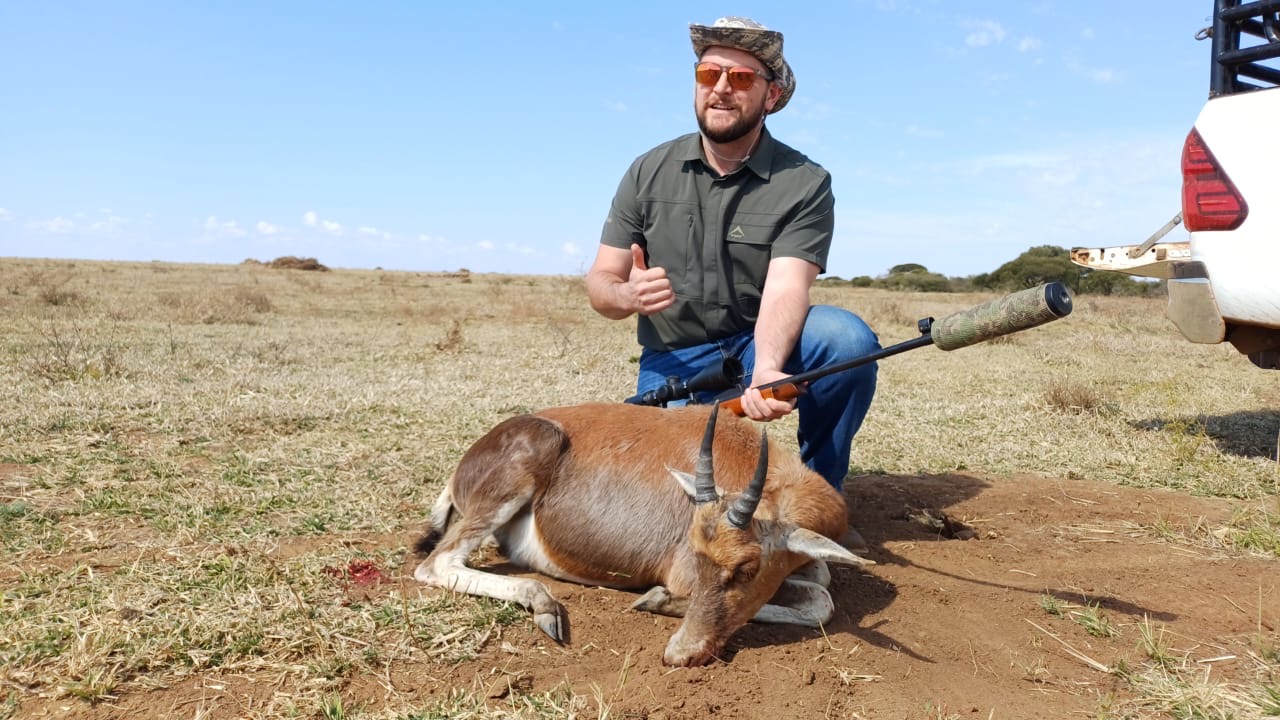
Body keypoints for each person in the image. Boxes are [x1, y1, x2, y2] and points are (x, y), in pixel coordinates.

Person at [585, 16, 880, 493]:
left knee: (846, 341)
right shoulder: (647, 170)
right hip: (676, 361)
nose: (720, 88)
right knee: (665, 492)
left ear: (772, 95)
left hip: (756, 343)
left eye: (741, 78)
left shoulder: (804, 181)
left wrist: (767, 368)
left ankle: (822, 491)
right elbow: (601, 282)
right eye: (708, 74)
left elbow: (787, 285)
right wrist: (626, 295)